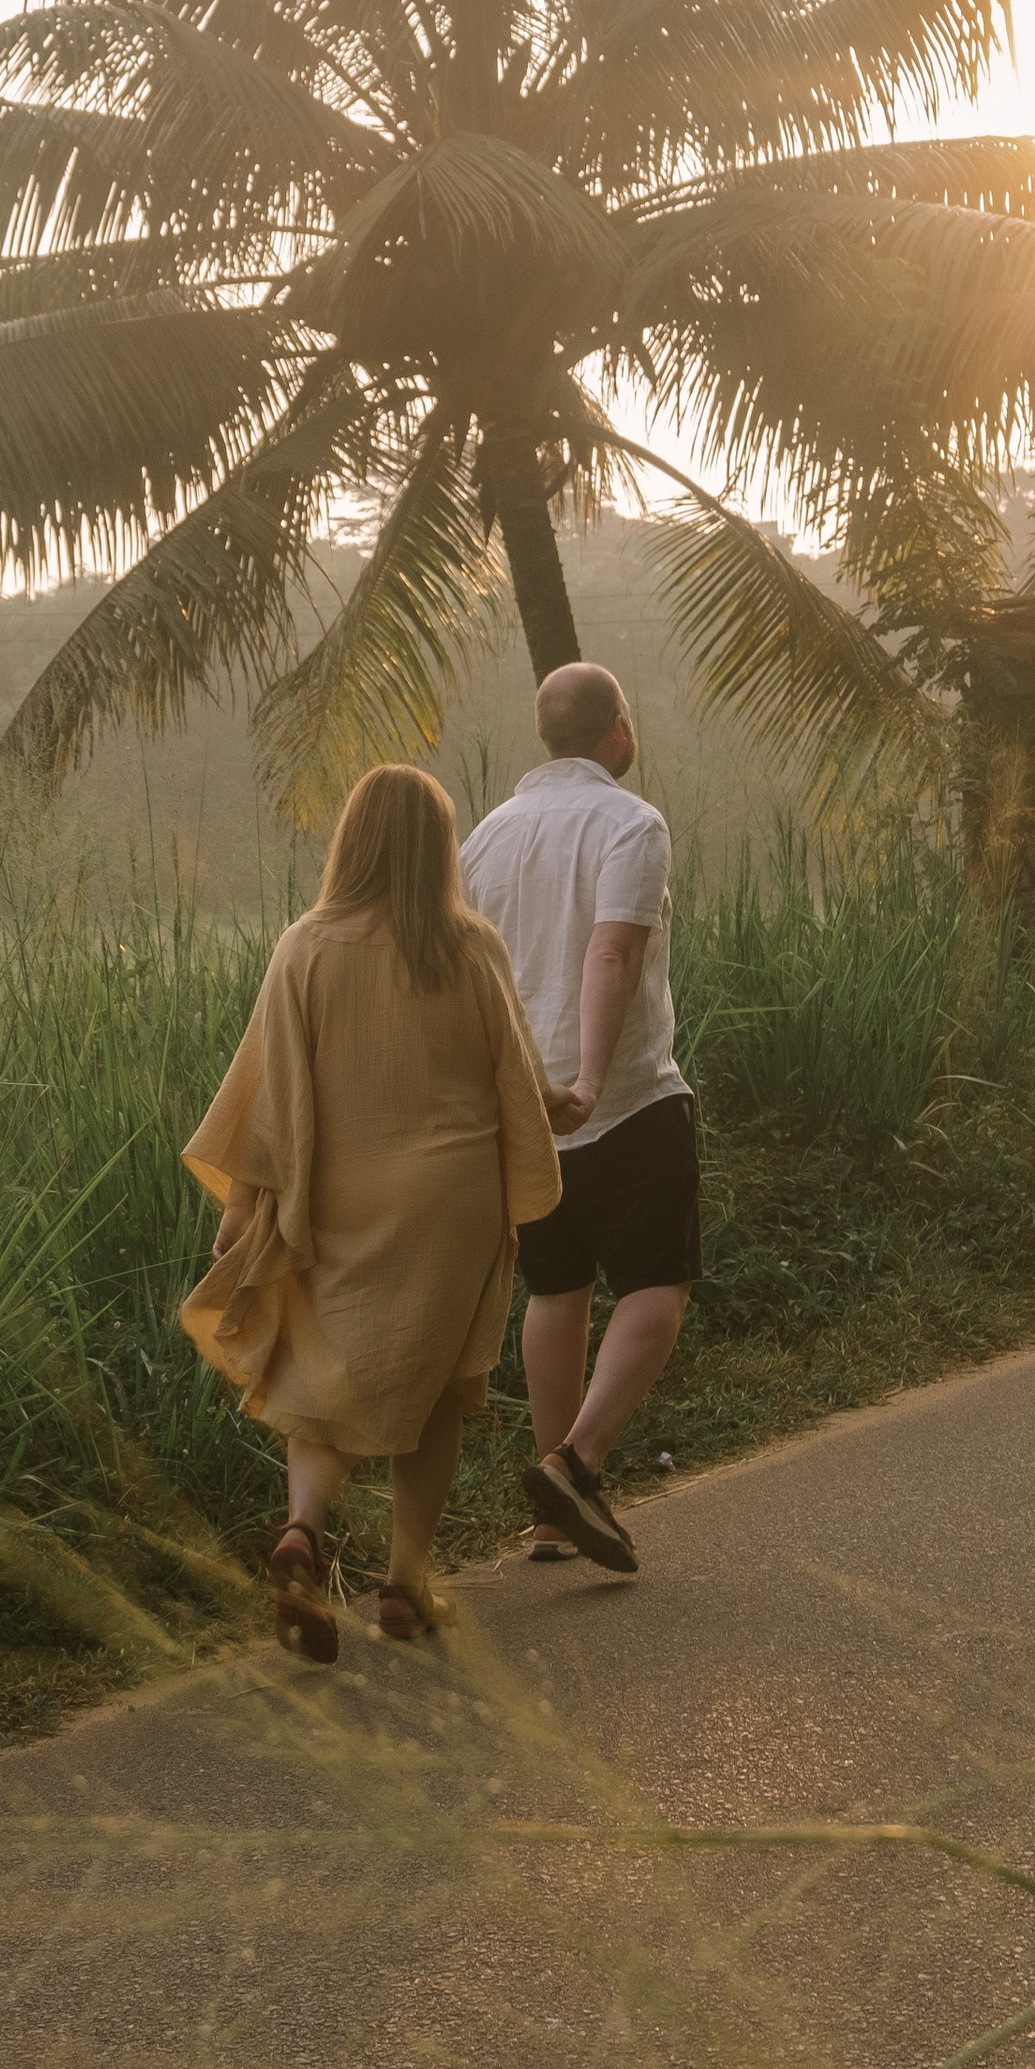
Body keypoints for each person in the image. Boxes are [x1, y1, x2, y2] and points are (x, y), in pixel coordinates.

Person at [178, 763, 562, 1662]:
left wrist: (243, 1210)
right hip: (452, 1204)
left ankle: (303, 1533)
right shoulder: (472, 948)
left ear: (350, 839)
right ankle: (403, 1587)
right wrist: (542, 1145)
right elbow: (513, 1081)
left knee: (321, 1383)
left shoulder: (304, 948)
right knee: (437, 1392)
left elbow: (267, 1100)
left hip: (339, 1195)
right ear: (439, 847)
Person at [460, 661, 696, 1577]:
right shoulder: (630, 822)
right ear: (617, 727)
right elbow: (613, 949)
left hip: (520, 1102)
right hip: (628, 1095)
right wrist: (592, 1079)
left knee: (555, 1289)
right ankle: (576, 1462)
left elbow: (472, 980)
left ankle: (554, 1522)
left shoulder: (485, 837)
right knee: (659, 1282)